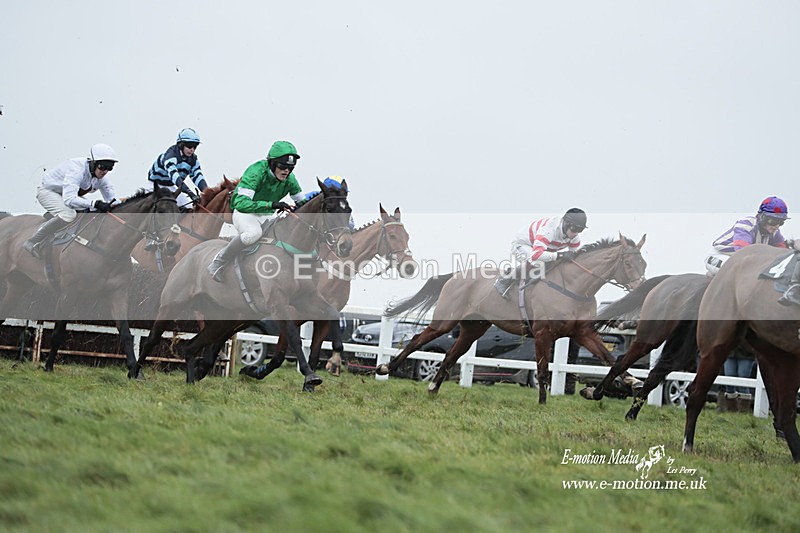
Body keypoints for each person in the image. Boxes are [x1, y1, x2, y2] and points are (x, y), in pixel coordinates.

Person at [207, 140, 306, 281]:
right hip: (245, 214)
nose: (286, 171)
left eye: (290, 168)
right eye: (282, 166)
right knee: (253, 234)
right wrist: (271, 205)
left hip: (267, 216)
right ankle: (219, 261)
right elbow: (240, 203)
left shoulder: (290, 179)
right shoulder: (256, 172)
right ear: (272, 163)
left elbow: (303, 202)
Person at [23, 143, 119, 259]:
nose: (105, 171)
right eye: (102, 167)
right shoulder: (77, 169)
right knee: (69, 214)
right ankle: (32, 241)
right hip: (48, 192)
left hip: (65, 194)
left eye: (109, 168)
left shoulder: (102, 179)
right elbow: (69, 200)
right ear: (93, 163)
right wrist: (95, 203)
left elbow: (113, 201)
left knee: (92, 211)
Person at [494, 207, 587, 298]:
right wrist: (561, 255)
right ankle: (505, 280)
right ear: (566, 224)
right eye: (574, 229)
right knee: (537, 262)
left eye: (580, 230)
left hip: (542, 248)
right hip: (523, 245)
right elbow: (536, 255)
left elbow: (573, 257)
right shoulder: (549, 230)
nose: (576, 233)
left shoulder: (575, 238)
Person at [704, 196, 789, 277]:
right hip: (720, 256)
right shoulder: (746, 225)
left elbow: (784, 252)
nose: (777, 226)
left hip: (740, 260)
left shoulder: (774, 232)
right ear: (762, 217)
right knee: (742, 270)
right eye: (773, 221)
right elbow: (743, 252)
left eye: (781, 222)